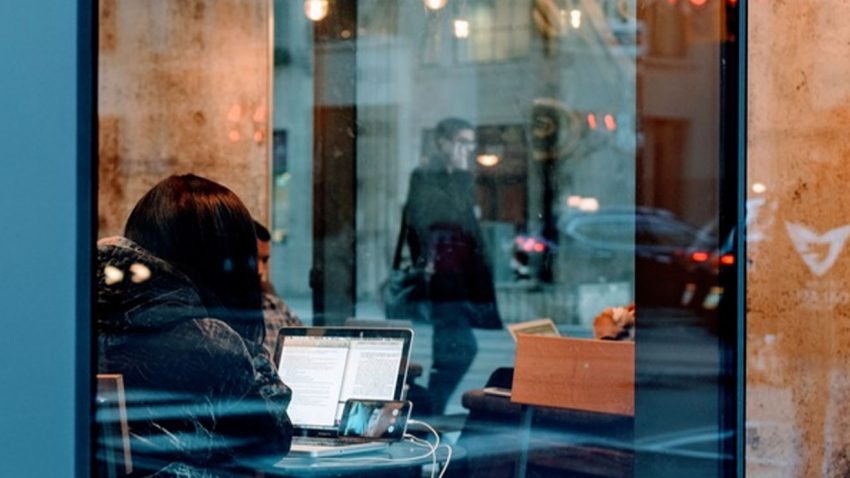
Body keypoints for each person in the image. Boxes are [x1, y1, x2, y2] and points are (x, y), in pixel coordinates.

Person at [97, 174, 293, 475]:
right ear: (225, 262)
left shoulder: (81, 316)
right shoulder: (210, 343)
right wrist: (245, 342)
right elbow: (271, 442)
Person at [403, 118, 502, 415]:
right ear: (442, 143)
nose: (467, 150)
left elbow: (467, 226)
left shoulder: (461, 177)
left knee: (451, 350)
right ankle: (430, 411)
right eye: (461, 142)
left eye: (470, 143)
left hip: (460, 277)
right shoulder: (426, 176)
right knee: (460, 348)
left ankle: (431, 412)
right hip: (442, 278)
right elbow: (432, 219)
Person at [254, 219, 302, 357]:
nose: (260, 270)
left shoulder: (277, 307)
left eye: (265, 260)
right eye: (254, 259)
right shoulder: (219, 315)